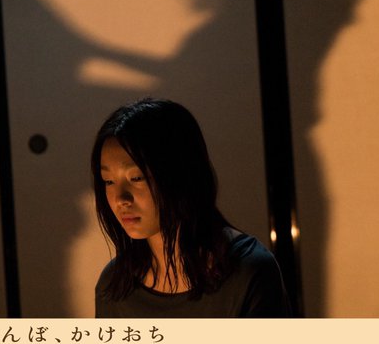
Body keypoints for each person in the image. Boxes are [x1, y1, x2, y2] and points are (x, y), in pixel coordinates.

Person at [92, 98, 290, 317]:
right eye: (108, 181)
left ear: (180, 174)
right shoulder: (114, 285)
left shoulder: (247, 272)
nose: (120, 199)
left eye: (136, 178)